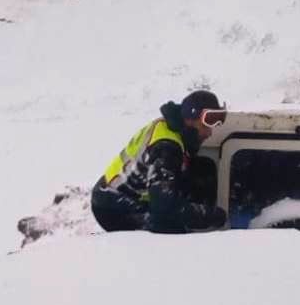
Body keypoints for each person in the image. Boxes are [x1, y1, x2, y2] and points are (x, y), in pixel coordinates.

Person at [91, 90, 229, 233]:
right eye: (206, 126)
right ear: (189, 119)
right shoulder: (166, 148)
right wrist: (212, 216)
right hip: (112, 206)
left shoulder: (171, 128)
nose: (209, 133)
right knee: (168, 227)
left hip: (117, 193)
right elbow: (164, 208)